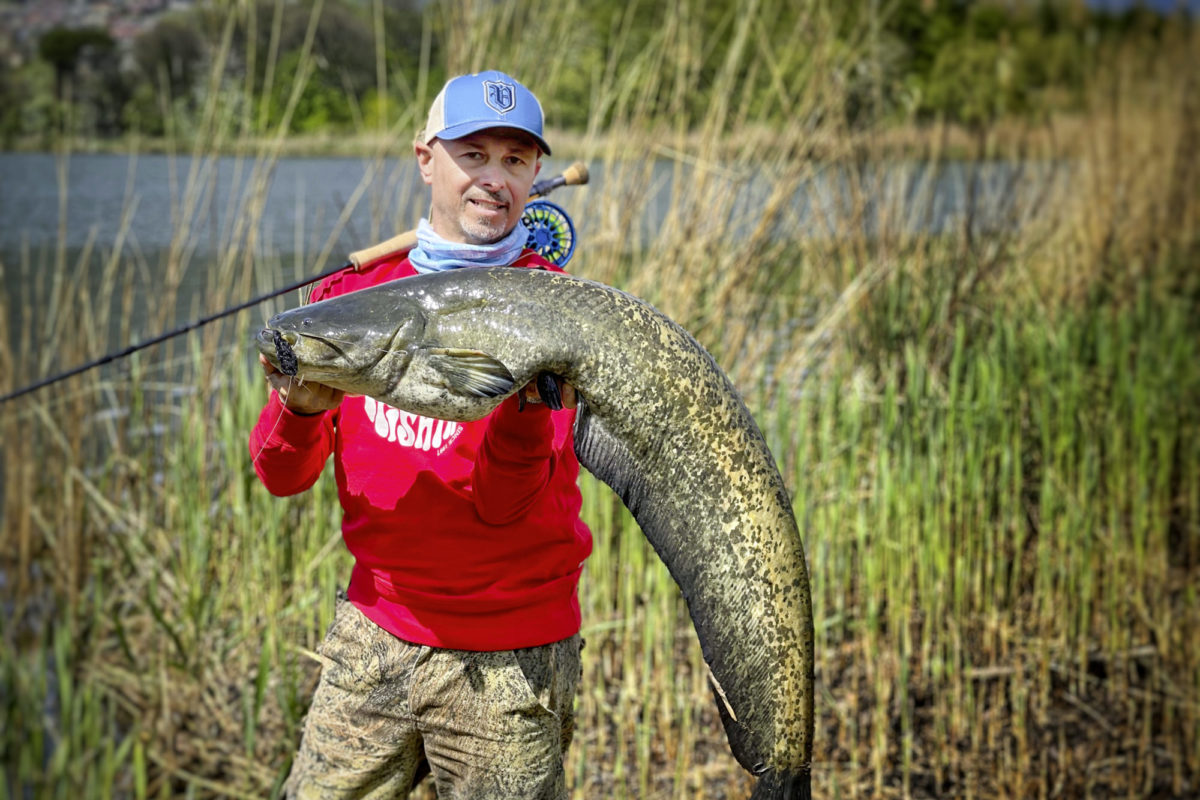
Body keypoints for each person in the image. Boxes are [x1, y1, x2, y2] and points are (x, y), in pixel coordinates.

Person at [248, 70, 592, 800]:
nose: (494, 178)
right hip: (371, 633)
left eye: (515, 159)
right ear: (425, 157)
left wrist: (527, 412)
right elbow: (280, 476)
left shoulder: (556, 312)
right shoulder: (347, 300)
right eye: (473, 154)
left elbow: (506, 506)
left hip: (509, 654)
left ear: (535, 174)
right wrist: (300, 409)